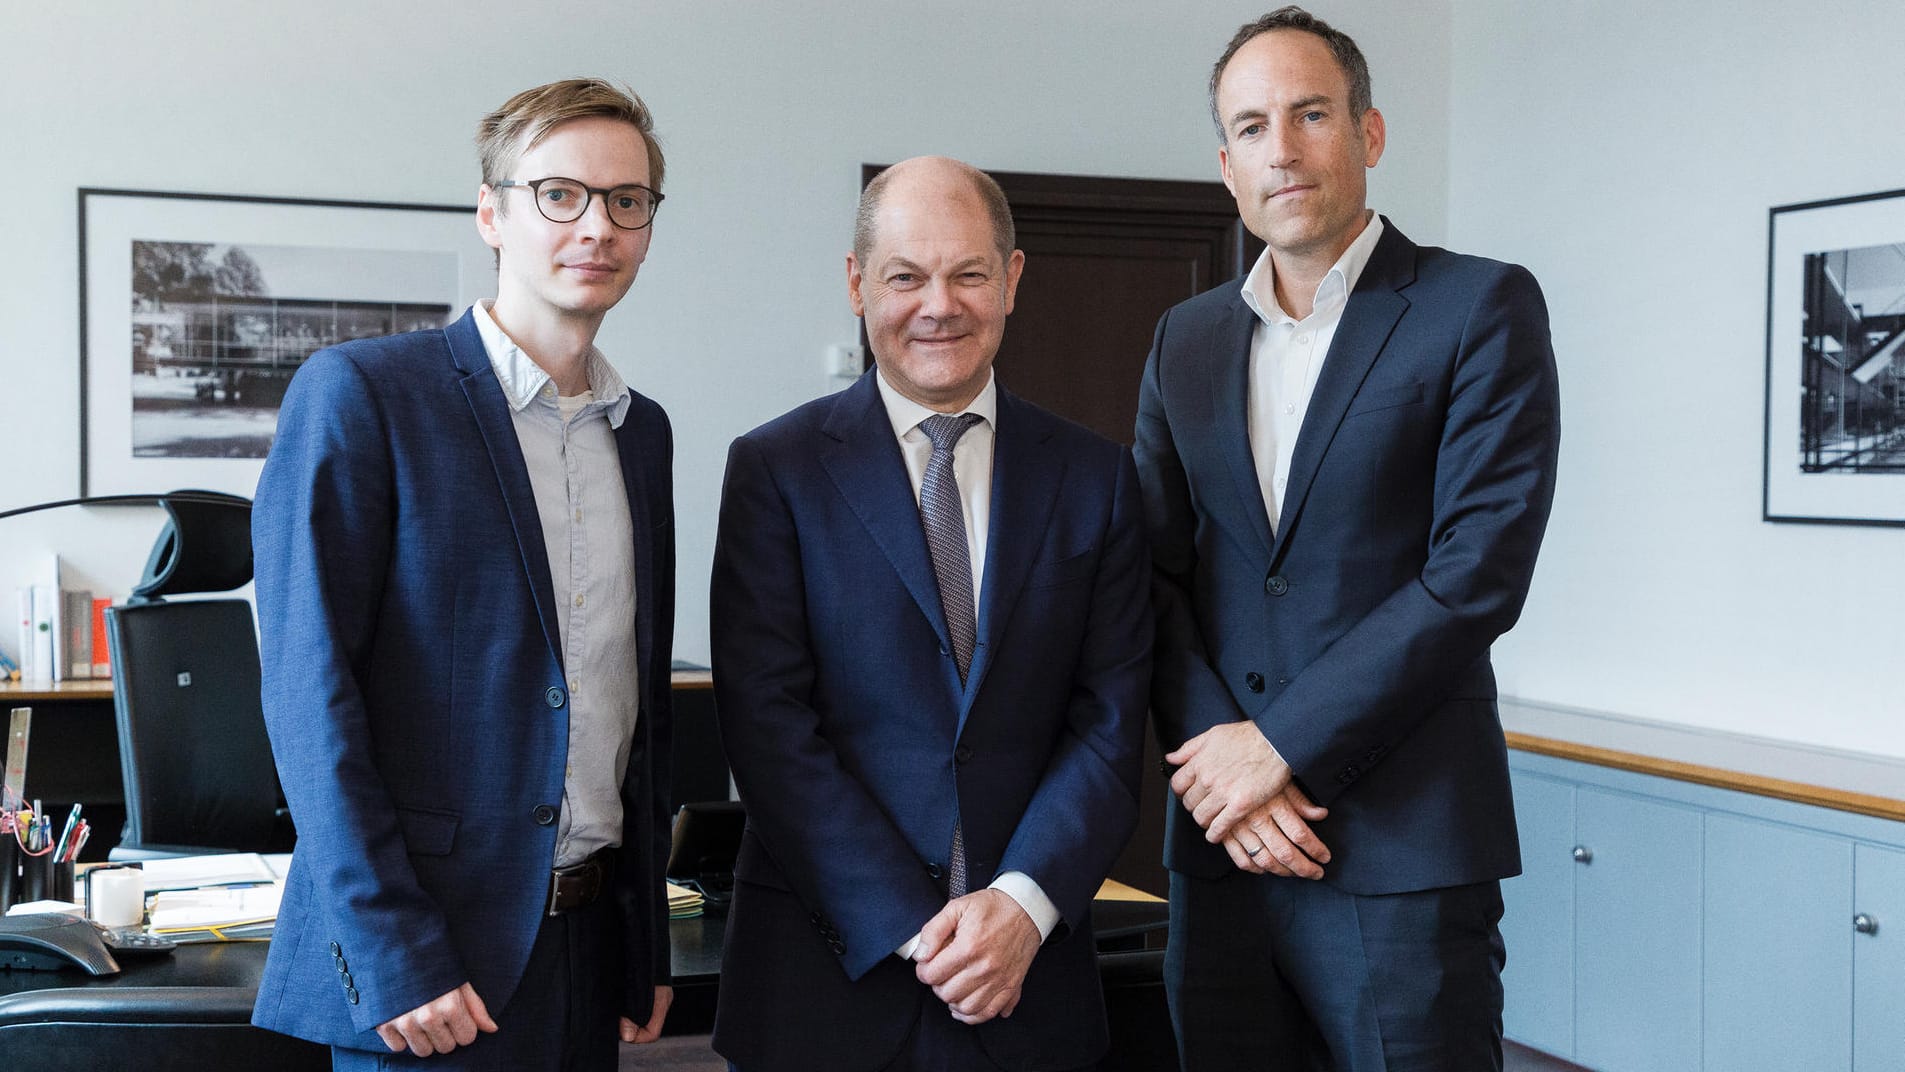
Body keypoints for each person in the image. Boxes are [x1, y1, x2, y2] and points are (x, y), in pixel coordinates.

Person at [1134, 8, 1562, 1070]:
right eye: (1251, 126)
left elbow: (1476, 575)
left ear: (1368, 134)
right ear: (1224, 165)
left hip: (1404, 853)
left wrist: (1277, 748)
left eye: (1310, 113)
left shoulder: (1478, 307)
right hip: (1224, 856)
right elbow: (1149, 574)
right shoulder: (1184, 339)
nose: (1281, 147)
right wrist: (1222, 779)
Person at [250, 78, 678, 1069]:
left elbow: (633, 704)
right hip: (429, 970)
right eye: (558, 194)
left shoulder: (641, 431)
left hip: (584, 947)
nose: (597, 226)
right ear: (492, 211)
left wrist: (642, 936)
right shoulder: (364, 396)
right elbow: (308, 696)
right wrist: (392, 948)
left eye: (628, 201)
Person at [708, 156, 1151, 1072]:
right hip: (828, 977)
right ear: (857, 282)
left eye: (969, 273)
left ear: (1013, 280)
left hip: (1030, 977)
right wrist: (923, 931)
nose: (937, 304)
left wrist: (1021, 908)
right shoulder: (775, 471)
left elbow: (1107, 723)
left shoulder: (1096, 479)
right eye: (906, 275)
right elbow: (767, 726)